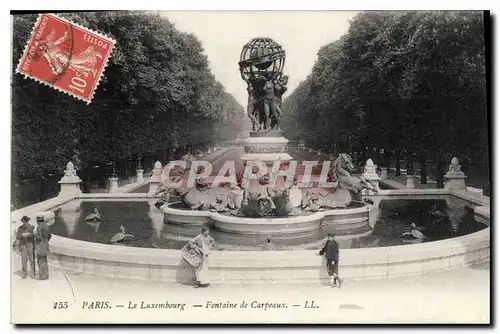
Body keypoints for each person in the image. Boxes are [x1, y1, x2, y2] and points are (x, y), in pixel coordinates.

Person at [34, 215, 51, 280]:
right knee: (45, 260)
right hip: (45, 245)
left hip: (40, 246)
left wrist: (34, 234)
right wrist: (46, 241)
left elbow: (39, 237)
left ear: (38, 220)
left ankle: (42, 276)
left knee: (40, 261)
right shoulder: (46, 226)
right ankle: (46, 275)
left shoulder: (39, 226)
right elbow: (49, 235)